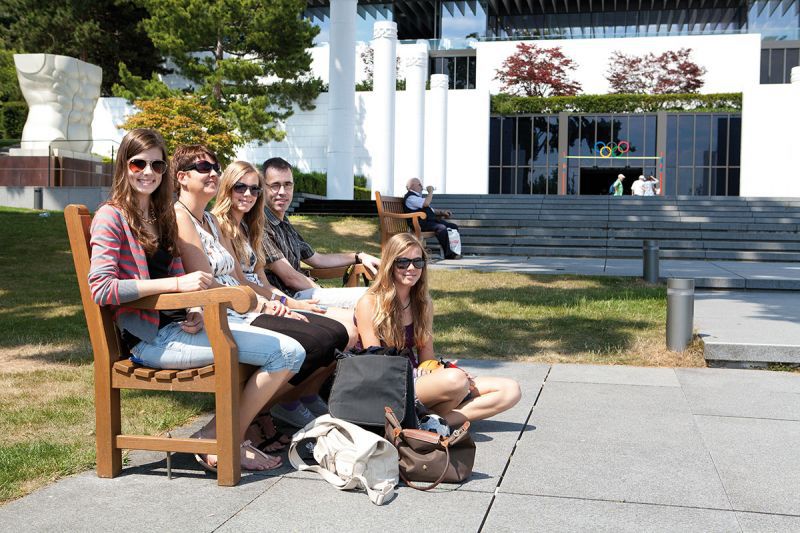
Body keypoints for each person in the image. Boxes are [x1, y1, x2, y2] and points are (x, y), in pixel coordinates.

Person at [88, 128, 301, 472]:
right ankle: (224, 442)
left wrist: (193, 307)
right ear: (123, 166)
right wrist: (176, 285)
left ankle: (223, 437)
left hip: (181, 329)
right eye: (138, 163)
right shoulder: (111, 217)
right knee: (285, 353)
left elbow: (182, 280)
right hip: (148, 340)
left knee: (291, 350)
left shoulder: (160, 218)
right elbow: (101, 288)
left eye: (157, 166)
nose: (148, 172)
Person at [172, 146, 350, 435]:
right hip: (225, 314)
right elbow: (205, 283)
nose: (213, 173)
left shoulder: (210, 221)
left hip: (241, 306)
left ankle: (264, 414)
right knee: (316, 340)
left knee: (333, 333)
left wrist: (278, 303)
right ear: (181, 177)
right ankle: (233, 431)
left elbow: (241, 278)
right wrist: (264, 305)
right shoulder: (183, 218)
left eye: (254, 189)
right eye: (205, 169)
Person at [355, 233, 521, 427]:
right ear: (390, 264)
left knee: (510, 390)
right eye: (403, 262)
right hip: (388, 387)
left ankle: (435, 424)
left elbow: (427, 359)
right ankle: (427, 421)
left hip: (418, 382)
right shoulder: (370, 302)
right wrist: (447, 378)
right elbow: (377, 366)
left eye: (418, 262)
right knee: (456, 382)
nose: (411, 268)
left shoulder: (422, 304)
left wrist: (442, 369)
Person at [261, 157, 380, 309]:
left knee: (382, 297)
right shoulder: (261, 225)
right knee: (375, 299)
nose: (282, 192)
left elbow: (318, 259)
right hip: (291, 300)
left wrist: (358, 256)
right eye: (275, 186)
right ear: (263, 187)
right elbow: (291, 278)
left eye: (288, 185)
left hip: (307, 294)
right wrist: (328, 295)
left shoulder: (284, 222)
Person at [403, 178, 461, 260]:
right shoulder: (410, 197)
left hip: (429, 221)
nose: (422, 186)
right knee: (441, 228)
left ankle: (455, 252)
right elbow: (426, 203)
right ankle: (449, 254)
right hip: (419, 224)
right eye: (419, 184)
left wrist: (442, 212)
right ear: (412, 186)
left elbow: (431, 210)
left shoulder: (417, 197)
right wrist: (430, 192)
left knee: (453, 226)